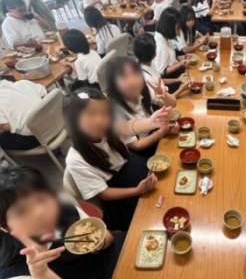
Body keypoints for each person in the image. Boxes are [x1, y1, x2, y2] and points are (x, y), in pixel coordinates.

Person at [0, 165, 125, 279]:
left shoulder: (62, 209)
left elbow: (108, 238)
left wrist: (99, 243)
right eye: (22, 211)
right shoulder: (12, 272)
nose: (40, 212)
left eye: (40, 199)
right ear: (4, 226)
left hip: (121, 258)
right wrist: (42, 274)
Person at [64, 87, 159, 231]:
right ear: (74, 119)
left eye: (104, 113)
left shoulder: (110, 129)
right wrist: (137, 190)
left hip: (138, 171)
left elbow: (134, 135)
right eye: (92, 114)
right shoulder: (75, 159)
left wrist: (155, 124)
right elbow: (104, 194)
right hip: (123, 197)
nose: (100, 120)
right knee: (154, 220)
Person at [107, 56, 175, 156]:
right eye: (124, 77)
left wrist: (164, 96)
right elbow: (136, 145)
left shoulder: (144, 89)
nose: (132, 81)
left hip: (156, 133)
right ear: (113, 83)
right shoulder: (114, 110)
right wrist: (161, 132)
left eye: (135, 73)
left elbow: (173, 104)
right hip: (144, 150)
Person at [133, 33, 186, 98]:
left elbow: (159, 80)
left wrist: (178, 79)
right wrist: (182, 89)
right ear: (154, 53)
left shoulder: (147, 64)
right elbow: (165, 101)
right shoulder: (146, 78)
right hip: (164, 101)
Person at [0, 79, 46, 150]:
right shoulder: (24, 83)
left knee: (2, 139)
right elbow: (44, 94)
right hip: (57, 121)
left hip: (39, 137)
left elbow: (8, 127)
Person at [153, 8, 187, 77]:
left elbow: (169, 58)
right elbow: (162, 72)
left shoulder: (165, 37)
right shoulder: (160, 45)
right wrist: (180, 64)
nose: (179, 32)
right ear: (169, 27)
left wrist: (180, 58)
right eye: (178, 28)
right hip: (170, 79)